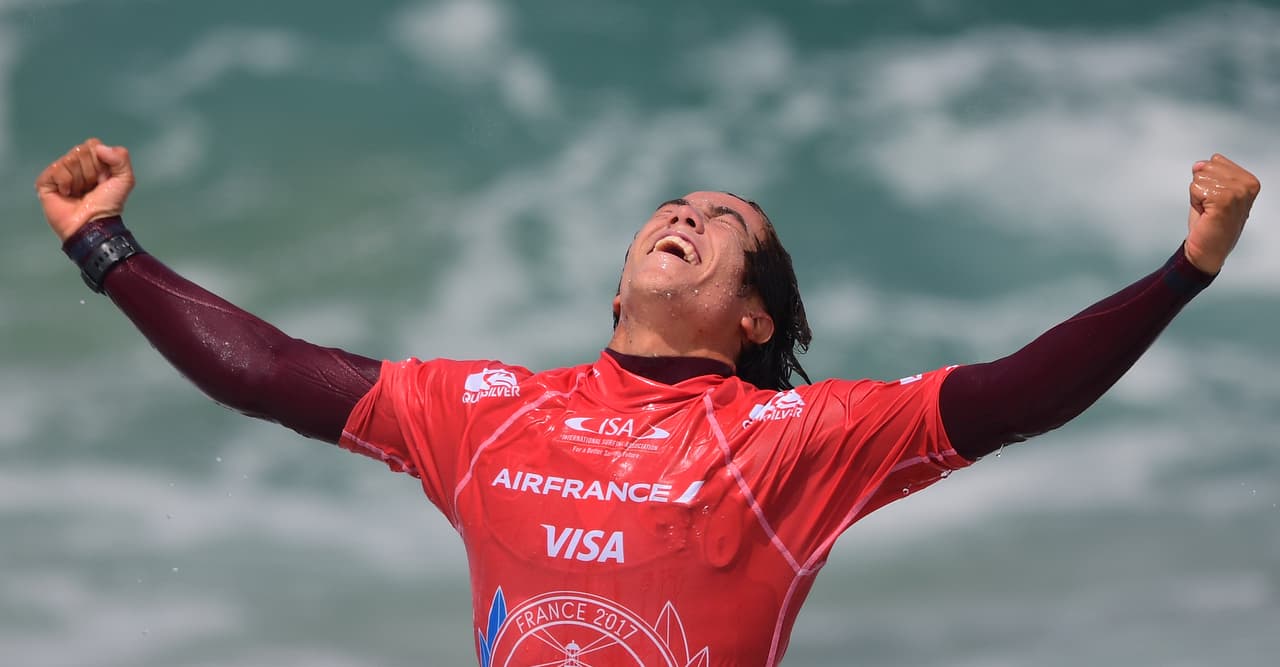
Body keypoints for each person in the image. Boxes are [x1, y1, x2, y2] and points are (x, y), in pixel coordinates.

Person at [36, 138, 1260, 667]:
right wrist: (106, 247)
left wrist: (1185, 268)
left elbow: (1008, 397)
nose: (686, 215)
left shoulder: (801, 440)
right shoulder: (489, 410)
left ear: (755, 320)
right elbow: (272, 371)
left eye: (727, 225)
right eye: (675, 205)